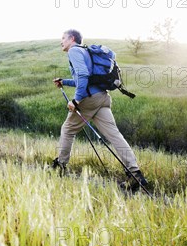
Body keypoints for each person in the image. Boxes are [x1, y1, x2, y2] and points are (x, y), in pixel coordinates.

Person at [52, 29, 148, 191]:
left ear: (72, 39)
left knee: (67, 130)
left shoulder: (74, 51)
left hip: (89, 100)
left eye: (63, 38)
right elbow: (86, 78)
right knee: (115, 135)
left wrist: (76, 100)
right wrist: (64, 82)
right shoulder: (86, 52)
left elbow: (82, 76)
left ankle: (60, 165)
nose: (60, 41)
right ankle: (135, 173)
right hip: (102, 98)